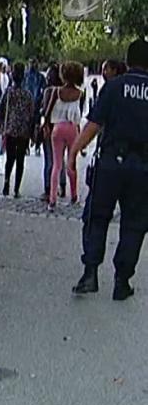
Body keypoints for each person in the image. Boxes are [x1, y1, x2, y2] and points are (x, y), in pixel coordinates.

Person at [70, 38, 148, 301]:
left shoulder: (114, 87)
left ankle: (90, 273)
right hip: (143, 168)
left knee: (96, 217)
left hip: (111, 163)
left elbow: (93, 125)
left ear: (127, 61)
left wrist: (73, 151)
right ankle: (122, 281)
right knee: (134, 225)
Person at [43, 61, 84, 211]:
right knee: (71, 163)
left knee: (56, 164)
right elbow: (79, 115)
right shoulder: (80, 94)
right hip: (73, 128)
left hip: (58, 128)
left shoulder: (56, 92)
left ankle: (52, 200)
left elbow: (47, 112)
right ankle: (74, 195)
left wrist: (46, 125)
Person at [0, 62, 35, 198]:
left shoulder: (9, 92)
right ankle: (16, 189)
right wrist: (32, 133)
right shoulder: (28, 95)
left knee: (9, 158)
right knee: (20, 161)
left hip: (11, 130)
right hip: (24, 131)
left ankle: (6, 182)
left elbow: (2, 110)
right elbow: (32, 114)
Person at [40, 64, 67, 202]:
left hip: (51, 128)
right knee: (60, 159)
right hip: (64, 127)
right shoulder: (65, 91)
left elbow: (45, 110)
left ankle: (48, 189)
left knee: (49, 160)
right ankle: (63, 186)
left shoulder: (48, 91)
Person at [25, 58, 47, 155]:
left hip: (33, 104)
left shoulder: (38, 77)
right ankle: (31, 146)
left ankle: (34, 146)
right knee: (32, 127)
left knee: (33, 127)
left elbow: (44, 90)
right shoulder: (32, 76)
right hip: (32, 104)